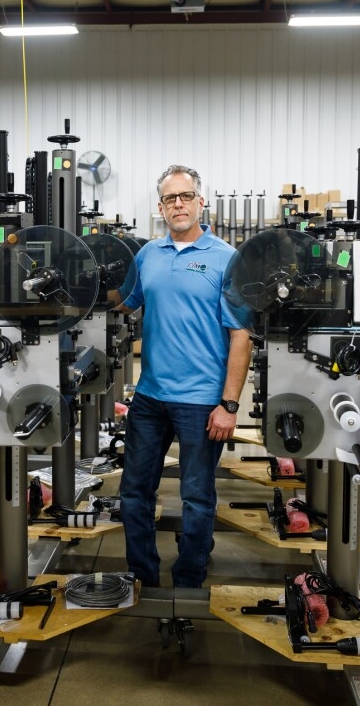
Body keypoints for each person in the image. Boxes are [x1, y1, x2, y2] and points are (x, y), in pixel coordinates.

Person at [114, 164, 251, 588]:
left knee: (196, 496)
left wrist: (229, 405)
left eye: (186, 196)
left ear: (200, 201)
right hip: (150, 397)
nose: (179, 204)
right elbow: (123, 303)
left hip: (201, 401)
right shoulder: (147, 255)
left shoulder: (226, 258)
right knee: (134, 493)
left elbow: (241, 336)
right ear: (160, 207)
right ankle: (142, 575)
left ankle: (190, 577)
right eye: (171, 198)